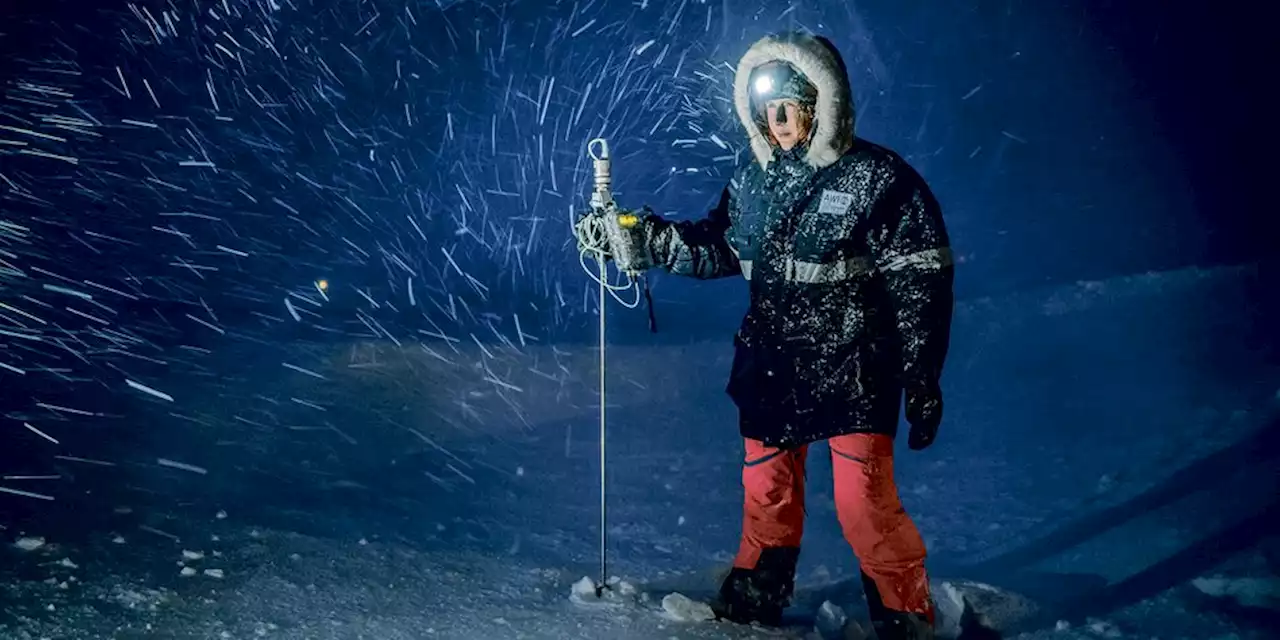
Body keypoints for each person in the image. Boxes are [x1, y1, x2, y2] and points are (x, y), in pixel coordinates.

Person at [576, 32, 954, 639]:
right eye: (767, 108)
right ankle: (756, 597)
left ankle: (905, 613)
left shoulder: (877, 179)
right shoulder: (752, 180)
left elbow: (921, 279)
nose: (777, 121)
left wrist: (923, 373)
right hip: (773, 365)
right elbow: (721, 245)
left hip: (855, 366)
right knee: (767, 492)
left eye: (790, 105)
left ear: (820, 102)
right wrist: (643, 241)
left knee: (863, 504)